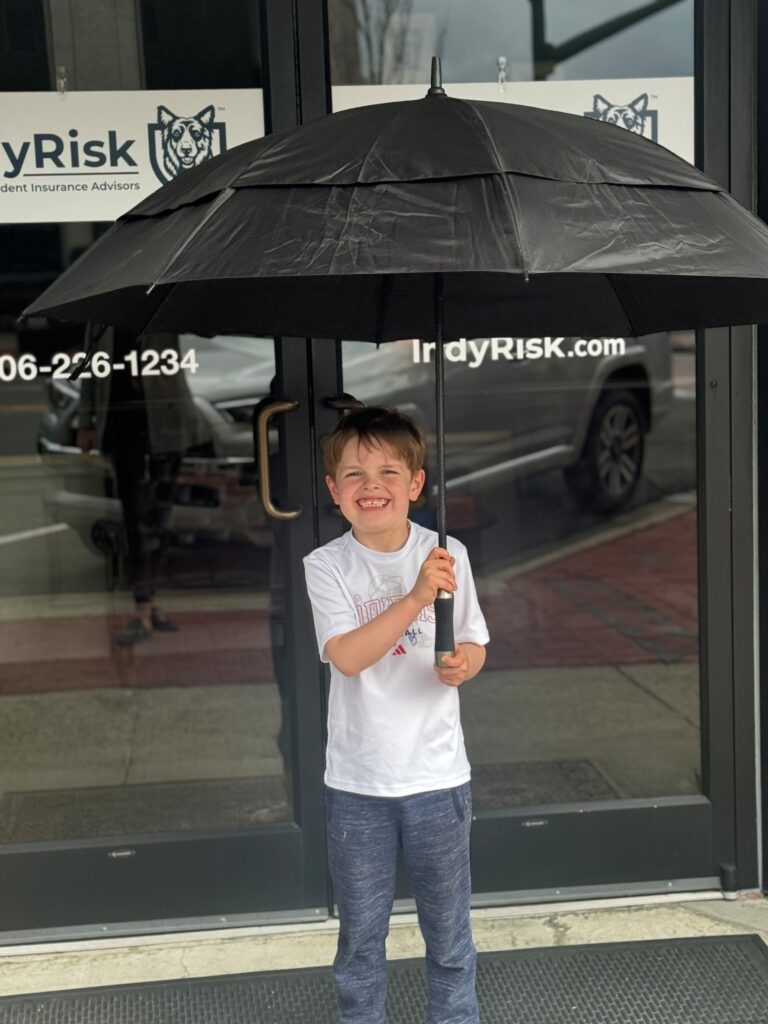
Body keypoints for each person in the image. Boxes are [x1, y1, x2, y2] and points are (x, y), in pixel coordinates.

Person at [303, 406, 489, 1024]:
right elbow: (348, 657)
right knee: (361, 937)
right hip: (359, 784)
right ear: (334, 491)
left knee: (450, 932)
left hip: (438, 776)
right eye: (354, 475)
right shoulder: (326, 566)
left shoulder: (447, 553)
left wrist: (463, 664)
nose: (371, 486)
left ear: (416, 484)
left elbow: (474, 641)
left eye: (388, 472)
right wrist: (415, 596)